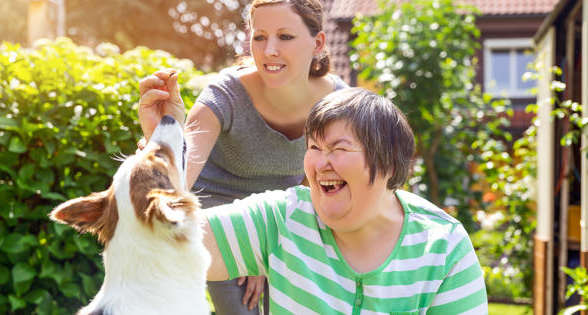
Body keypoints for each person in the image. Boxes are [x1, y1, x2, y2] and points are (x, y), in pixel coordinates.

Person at [137, 0, 348, 313]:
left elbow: (320, 182)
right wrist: (162, 135)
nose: (268, 50)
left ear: (317, 43)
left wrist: (270, 242)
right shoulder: (224, 95)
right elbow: (179, 180)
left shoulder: (337, 103)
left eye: (285, 37)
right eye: (259, 36)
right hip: (215, 216)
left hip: (283, 217)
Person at [203, 87, 489, 314]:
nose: (321, 163)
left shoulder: (443, 248)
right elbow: (173, 239)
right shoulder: (283, 218)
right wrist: (161, 140)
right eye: (314, 147)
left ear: (387, 162)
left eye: (339, 148)